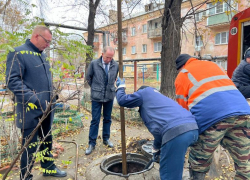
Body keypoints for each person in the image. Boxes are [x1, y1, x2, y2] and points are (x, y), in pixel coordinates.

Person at [174, 54, 250, 179]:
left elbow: (183, 109)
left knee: (199, 160)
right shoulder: (214, 65)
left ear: (181, 67)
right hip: (243, 112)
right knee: (244, 162)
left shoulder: (183, 74)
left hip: (212, 118)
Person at [6, 25, 67, 180]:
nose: (48, 45)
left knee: (47, 140)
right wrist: (35, 99)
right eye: (46, 41)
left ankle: (48, 168)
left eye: (49, 42)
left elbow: (45, 80)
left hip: (47, 109)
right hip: (30, 111)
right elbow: (12, 82)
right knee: (29, 147)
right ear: (36, 36)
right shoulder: (18, 53)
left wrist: (53, 94)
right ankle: (25, 176)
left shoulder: (42, 55)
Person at [115, 79, 199, 180]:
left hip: (176, 134)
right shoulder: (161, 100)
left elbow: (122, 100)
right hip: (193, 129)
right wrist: (156, 148)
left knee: (169, 175)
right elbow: (160, 131)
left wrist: (121, 87)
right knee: (175, 167)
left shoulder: (144, 93)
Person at [85, 46, 119, 155]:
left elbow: (114, 78)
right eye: (107, 57)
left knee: (107, 119)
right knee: (95, 120)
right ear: (102, 54)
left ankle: (106, 139)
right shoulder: (94, 64)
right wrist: (96, 88)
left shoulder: (115, 65)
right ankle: (92, 143)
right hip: (96, 97)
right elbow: (88, 77)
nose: (109, 60)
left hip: (109, 96)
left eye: (111, 57)